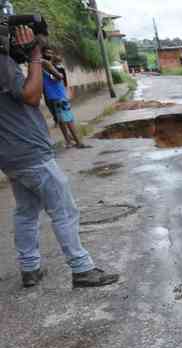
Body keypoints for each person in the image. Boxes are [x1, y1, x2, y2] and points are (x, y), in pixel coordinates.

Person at [0, 26, 119, 288]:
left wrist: (31, 56)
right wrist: (33, 54)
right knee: (64, 210)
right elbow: (30, 96)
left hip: (9, 154)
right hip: (30, 152)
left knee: (26, 212)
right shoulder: (2, 62)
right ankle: (82, 268)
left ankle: (30, 269)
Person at [42, 47, 88, 149]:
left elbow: (60, 78)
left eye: (51, 53)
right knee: (62, 120)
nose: (49, 55)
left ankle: (77, 142)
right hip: (54, 97)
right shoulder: (44, 66)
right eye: (47, 52)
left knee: (68, 119)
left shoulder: (53, 66)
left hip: (59, 96)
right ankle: (69, 141)